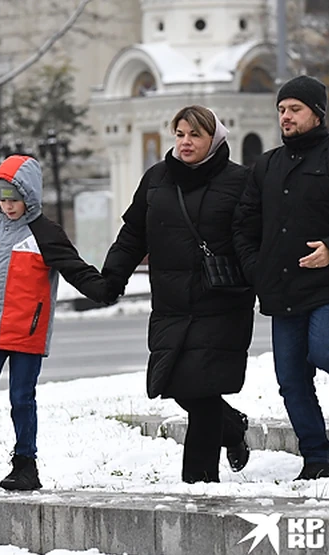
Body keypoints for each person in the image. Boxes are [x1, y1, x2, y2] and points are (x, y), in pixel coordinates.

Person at [233, 75, 329, 481]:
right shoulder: (266, 165)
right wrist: (257, 269)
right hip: (281, 287)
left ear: (317, 113)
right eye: (281, 109)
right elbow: (244, 227)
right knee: (291, 380)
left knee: (327, 351)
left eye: (294, 109)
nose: (285, 116)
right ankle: (316, 458)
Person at [0, 155, 117, 491]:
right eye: (2, 199)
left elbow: (75, 268)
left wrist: (106, 290)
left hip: (27, 332)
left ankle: (25, 464)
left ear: (30, 196)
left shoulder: (46, 233)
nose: (8, 207)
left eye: (15, 199)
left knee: (21, 399)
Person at [101, 106, 255, 484]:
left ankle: (199, 484)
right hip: (171, 302)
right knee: (174, 384)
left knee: (201, 393)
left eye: (195, 135)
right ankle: (232, 428)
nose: (185, 142)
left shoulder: (240, 182)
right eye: (180, 134)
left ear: (214, 140)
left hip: (220, 301)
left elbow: (256, 240)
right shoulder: (157, 179)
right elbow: (133, 234)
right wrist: (111, 277)